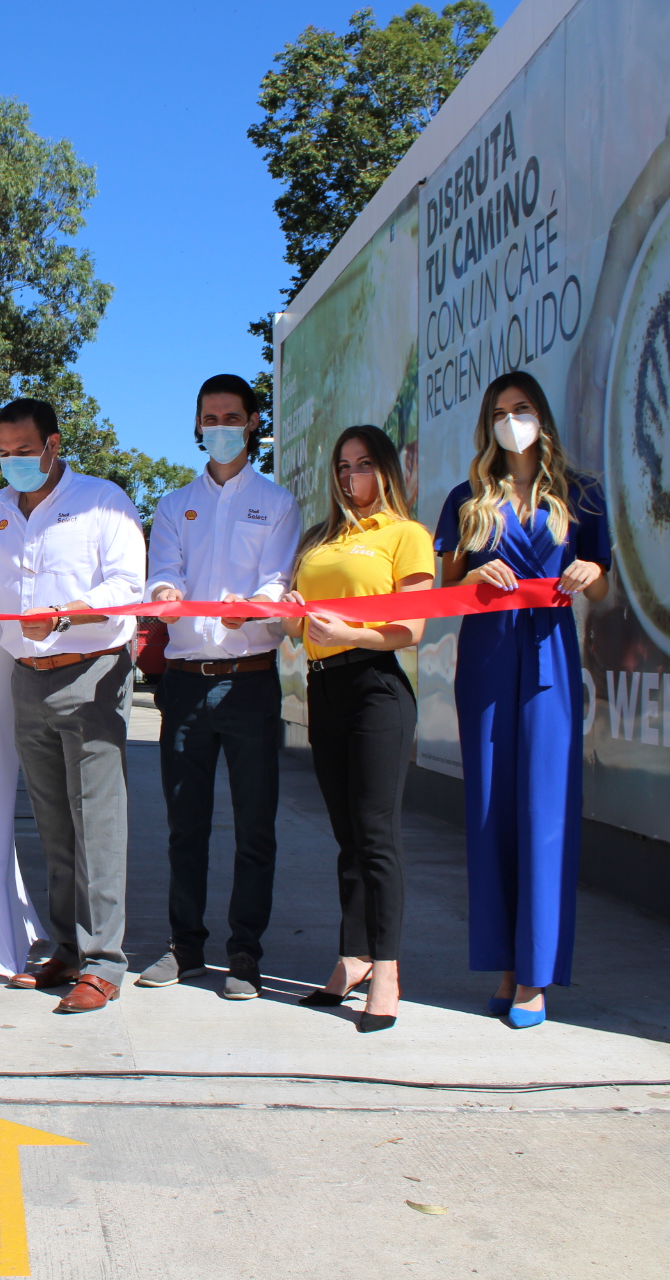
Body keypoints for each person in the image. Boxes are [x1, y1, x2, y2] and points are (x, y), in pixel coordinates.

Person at [0, 398, 147, 1014]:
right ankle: (68, 949)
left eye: (23, 451)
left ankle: (105, 962)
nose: (12, 463)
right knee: (53, 823)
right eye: (3, 452)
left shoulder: (104, 502)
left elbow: (128, 588)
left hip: (94, 674)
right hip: (26, 677)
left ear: (53, 446)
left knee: (98, 822)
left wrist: (65, 614)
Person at [435, 371, 610, 1030]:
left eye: (524, 408)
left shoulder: (581, 495)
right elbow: (442, 591)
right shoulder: (466, 497)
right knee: (488, 813)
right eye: (502, 411)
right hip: (484, 659)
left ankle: (536, 976)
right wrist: (473, 572)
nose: (513, 420)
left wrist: (592, 573)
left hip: (550, 659)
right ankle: (506, 967)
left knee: (544, 809)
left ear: (542, 417)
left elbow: (602, 583)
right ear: (488, 422)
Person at [136, 375, 299, 999]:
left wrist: (254, 609)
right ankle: (185, 947)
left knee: (255, 825)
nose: (220, 425)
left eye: (232, 415)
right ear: (198, 425)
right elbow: (165, 571)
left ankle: (245, 953)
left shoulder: (277, 502)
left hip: (251, 684)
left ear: (254, 421)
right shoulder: (176, 504)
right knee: (186, 826)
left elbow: (275, 579)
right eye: (210, 416)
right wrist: (166, 593)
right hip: (183, 684)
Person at [285, 425, 433, 1033]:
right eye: (343, 467)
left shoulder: (406, 535)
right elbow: (295, 614)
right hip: (325, 688)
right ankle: (353, 955)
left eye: (364, 464)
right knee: (347, 834)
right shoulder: (321, 538)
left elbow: (413, 629)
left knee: (377, 834)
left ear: (387, 470)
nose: (351, 477)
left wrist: (350, 634)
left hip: (376, 685)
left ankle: (389, 970)